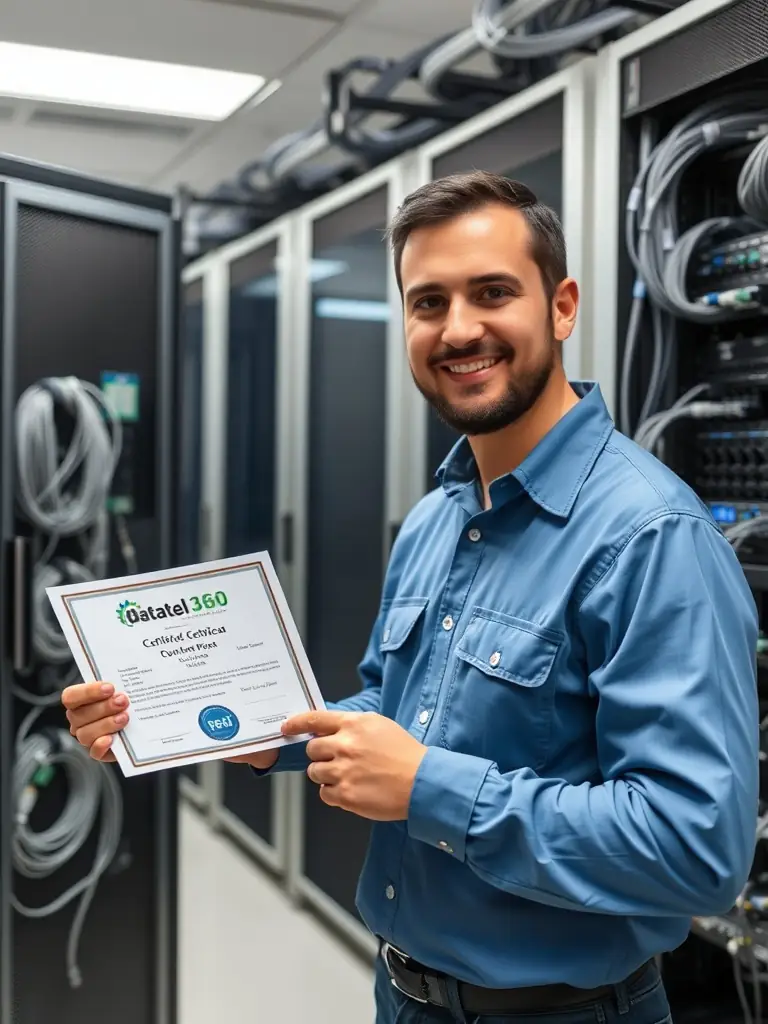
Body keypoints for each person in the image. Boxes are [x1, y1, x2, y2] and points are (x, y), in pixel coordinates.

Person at [62, 170, 759, 1024]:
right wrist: (231, 722)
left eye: (492, 292)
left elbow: (696, 848)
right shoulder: (437, 518)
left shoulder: (651, 537)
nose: (458, 329)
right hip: (403, 996)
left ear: (562, 307)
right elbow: (394, 709)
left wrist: (430, 788)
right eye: (428, 302)